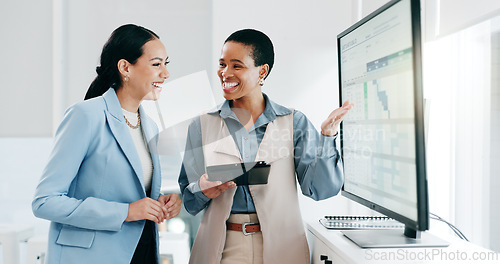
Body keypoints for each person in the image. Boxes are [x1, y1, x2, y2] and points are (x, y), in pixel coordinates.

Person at [178, 28, 354, 264]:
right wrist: (201, 189)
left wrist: (327, 136)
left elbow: (321, 190)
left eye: (236, 66)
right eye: (222, 64)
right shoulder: (202, 125)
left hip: (283, 246)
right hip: (221, 248)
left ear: (262, 70)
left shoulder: (294, 122)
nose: (225, 73)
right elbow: (189, 200)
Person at [32, 24, 181, 264]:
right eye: (156, 64)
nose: (165, 74)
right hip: (92, 256)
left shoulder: (150, 125)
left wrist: (161, 201)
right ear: (125, 67)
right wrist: (126, 211)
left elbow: (124, 187)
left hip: (141, 251)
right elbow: (45, 202)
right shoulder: (86, 116)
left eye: (166, 64)